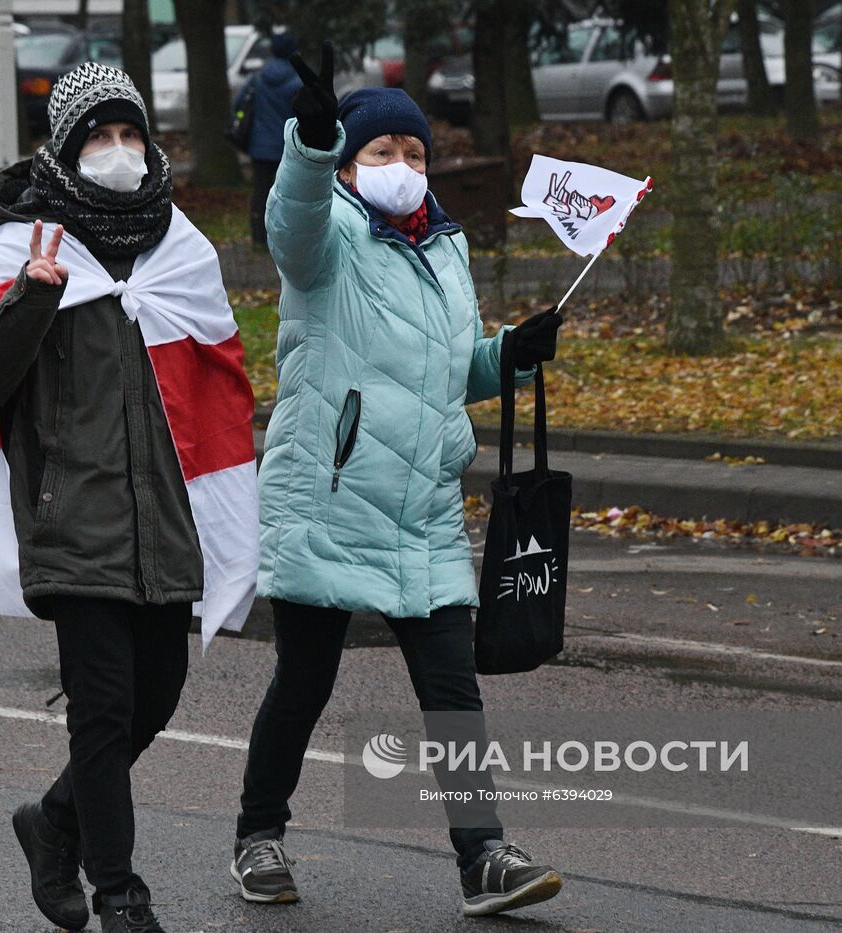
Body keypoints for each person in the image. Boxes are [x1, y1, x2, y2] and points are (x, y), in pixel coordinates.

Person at [231, 45, 566, 918]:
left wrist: (508, 357)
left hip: (423, 509)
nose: (404, 167)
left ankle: (484, 856)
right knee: (305, 682)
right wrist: (306, 147)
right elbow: (291, 224)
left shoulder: (445, 249)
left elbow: (447, 371)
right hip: (331, 496)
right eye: (382, 153)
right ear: (349, 166)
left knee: (451, 689)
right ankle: (257, 835)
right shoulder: (328, 238)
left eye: (416, 153)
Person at [0, 63, 255, 933]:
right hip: (70, 522)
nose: (115, 152)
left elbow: (219, 392)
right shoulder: (26, 249)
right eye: (96, 137)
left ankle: (54, 822)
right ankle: (121, 894)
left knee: (153, 699)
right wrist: (30, 301)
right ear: (67, 148)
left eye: (128, 135)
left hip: (164, 522)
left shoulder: (182, 251)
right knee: (105, 709)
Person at [232, 32, 302, 247]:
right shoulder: (298, 80)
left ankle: (259, 239)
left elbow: (238, 105)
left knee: (261, 193)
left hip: (260, 147)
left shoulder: (258, 77)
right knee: (289, 195)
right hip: (288, 147)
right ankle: (285, 241)